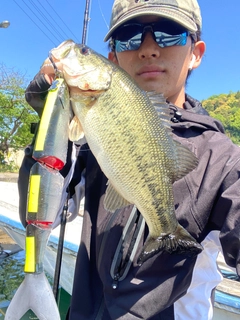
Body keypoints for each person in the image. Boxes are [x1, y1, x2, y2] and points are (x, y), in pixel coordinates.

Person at [19, 0, 240, 319]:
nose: (148, 49)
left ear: (196, 53)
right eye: (130, 36)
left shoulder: (225, 161)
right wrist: (48, 125)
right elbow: (44, 214)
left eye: (169, 34)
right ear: (113, 59)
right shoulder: (85, 137)